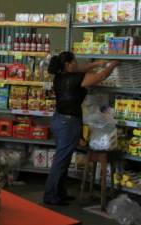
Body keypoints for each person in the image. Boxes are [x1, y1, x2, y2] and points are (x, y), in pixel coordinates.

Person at [43, 51, 119, 206]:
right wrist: (112, 65)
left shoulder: (60, 76)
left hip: (59, 120)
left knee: (62, 159)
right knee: (61, 161)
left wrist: (97, 63)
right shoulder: (76, 79)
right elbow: (101, 76)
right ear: (67, 64)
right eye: (75, 62)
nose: (77, 64)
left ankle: (60, 193)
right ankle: (50, 195)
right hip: (68, 124)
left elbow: (82, 69)